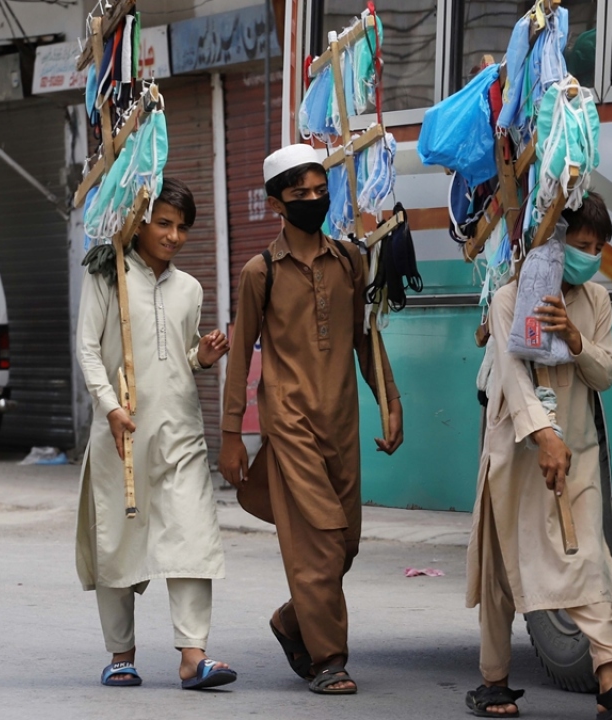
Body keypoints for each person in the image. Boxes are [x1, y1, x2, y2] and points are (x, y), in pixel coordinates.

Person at [464, 193, 612, 719]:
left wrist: (573, 339)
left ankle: (611, 681)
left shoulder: (596, 301)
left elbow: (606, 374)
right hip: (516, 457)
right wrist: (541, 435)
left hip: (576, 451)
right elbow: (512, 377)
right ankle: (494, 682)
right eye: (580, 244)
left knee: (589, 561)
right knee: (503, 572)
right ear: (555, 242)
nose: (589, 255)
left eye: (598, 247)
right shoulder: (510, 298)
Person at [219, 144, 404, 695]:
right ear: (277, 203)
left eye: (321, 192)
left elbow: (364, 340)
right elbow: (240, 352)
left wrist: (390, 403)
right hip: (290, 423)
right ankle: (329, 660)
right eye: (301, 195)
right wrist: (232, 436)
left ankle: (292, 620)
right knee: (320, 542)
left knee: (344, 544)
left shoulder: (350, 260)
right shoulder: (261, 273)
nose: (314, 201)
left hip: (341, 423)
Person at [74, 178, 238, 691]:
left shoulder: (190, 288)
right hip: (121, 437)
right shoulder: (108, 275)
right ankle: (121, 655)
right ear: (140, 220)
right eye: (163, 223)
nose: (173, 236)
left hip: (182, 433)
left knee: (193, 536)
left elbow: (181, 356)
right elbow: (87, 350)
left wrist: (202, 358)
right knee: (119, 543)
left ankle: (194, 656)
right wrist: (108, 409)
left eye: (182, 227)